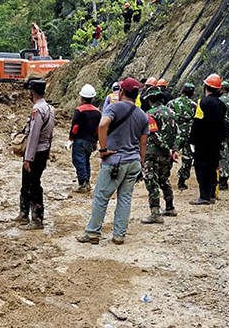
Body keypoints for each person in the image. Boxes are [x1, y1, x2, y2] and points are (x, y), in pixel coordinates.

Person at [76, 77, 149, 245]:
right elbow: (143, 142)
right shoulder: (142, 115)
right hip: (133, 161)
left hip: (114, 161)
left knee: (102, 196)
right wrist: (142, 164)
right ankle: (119, 235)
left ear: (122, 91)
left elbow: (102, 125)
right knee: (125, 198)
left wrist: (103, 150)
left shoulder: (114, 108)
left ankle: (93, 233)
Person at [16, 79, 54, 230]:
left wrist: (28, 158)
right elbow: (50, 134)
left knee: (33, 185)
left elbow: (33, 136)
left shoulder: (37, 110)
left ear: (31, 92)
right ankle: (24, 214)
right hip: (43, 150)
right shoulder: (50, 109)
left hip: (35, 152)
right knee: (27, 183)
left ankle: (37, 219)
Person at [140, 86, 181, 224]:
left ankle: (155, 213)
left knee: (151, 181)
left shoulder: (150, 114)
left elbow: (154, 135)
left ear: (150, 100)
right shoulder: (172, 112)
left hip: (154, 153)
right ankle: (170, 206)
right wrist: (174, 150)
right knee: (164, 179)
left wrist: (166, 149)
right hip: (167, 155)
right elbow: (178, 134)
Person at [188, 73, 227, 204]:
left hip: (203, 142)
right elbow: (222, 125)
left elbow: (197, 122)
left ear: (206, 87)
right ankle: (211, 195)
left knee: (201, 168)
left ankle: (203, 197)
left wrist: (192, 141)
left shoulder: (202, 102)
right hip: (216, 142)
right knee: (212, 167)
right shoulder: (222, 105)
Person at [68, 84, 101, 192]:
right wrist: (95, 141)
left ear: (82, 98)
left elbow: (75, 127)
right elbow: (98, 129)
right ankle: (87, 182)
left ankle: (83, 183)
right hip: (90, 141)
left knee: (78, 160)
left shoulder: (79, 110)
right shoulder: (97, 112)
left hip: (80, 140)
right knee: (86, 160)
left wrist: (70, 139)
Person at [168, 83, 198, 190]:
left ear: (182, 91)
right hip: (189, 135)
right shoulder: (194, 105)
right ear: (192, 93)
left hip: (175, 134)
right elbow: (197, 121)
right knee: (187, 158)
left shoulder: (172, 103)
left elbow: (168, 119)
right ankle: (182, 181)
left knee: (170, 155)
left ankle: (164, 177)